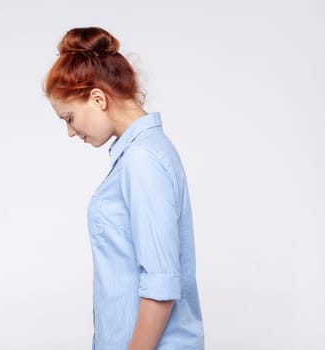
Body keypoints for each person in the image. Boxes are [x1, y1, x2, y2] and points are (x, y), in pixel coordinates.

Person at [43, 27, 204, 350]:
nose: (71, 132)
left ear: (98, 98)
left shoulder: (143, 158)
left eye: (70, 118)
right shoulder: (140, 154)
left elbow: (161, 285)